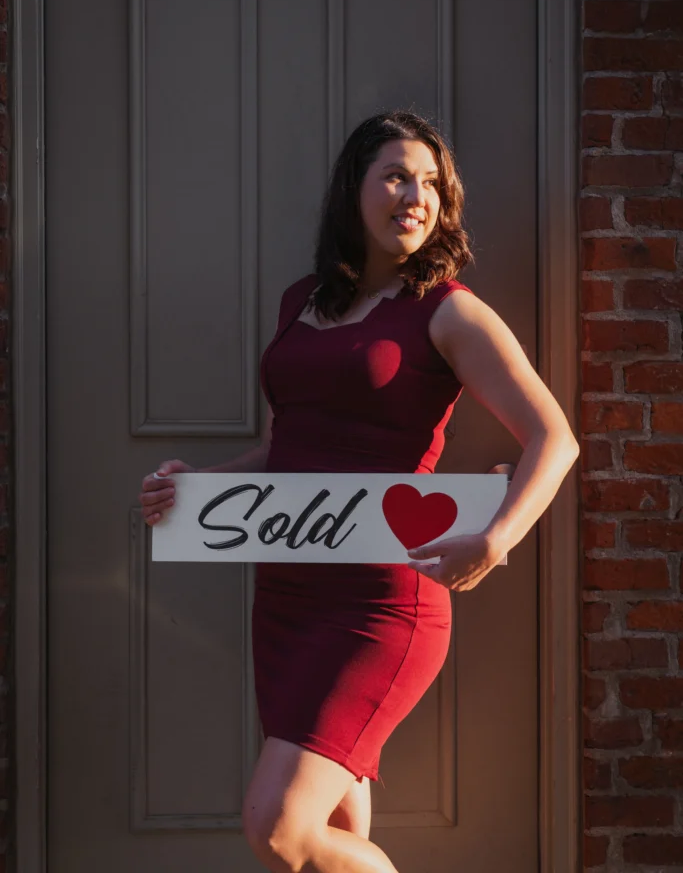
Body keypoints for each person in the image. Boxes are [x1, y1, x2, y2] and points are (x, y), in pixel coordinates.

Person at [139, 111, 579, 873]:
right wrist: (196, 486)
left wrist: (496, 537)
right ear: (354, 191)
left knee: (278, 826)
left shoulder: (448, 310)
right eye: (396, 176)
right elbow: (287, 448)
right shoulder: (299, 302)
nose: (415, 196)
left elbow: (554, 437)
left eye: (432, 184)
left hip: (380, 604)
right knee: (336, 825)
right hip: (287, 593)